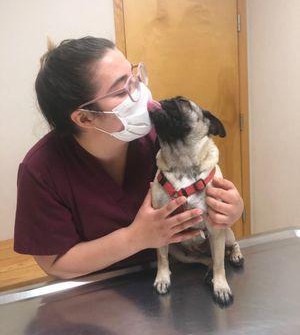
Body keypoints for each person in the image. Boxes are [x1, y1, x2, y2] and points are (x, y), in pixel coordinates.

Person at [14, 36, 244, 279]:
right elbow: (56, 264)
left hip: (173, 274)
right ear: (85, 118)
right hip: (97, 289)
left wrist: (230, 208)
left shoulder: (160, 138)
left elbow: (205, 190)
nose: (141, 92)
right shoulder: (41, 170)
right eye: (123, 89)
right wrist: (134, 238)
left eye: (135, 76)